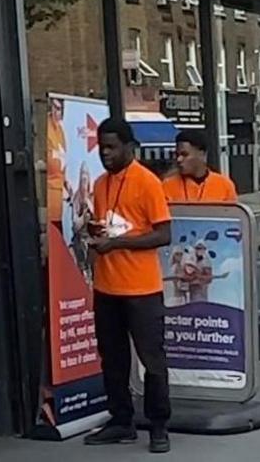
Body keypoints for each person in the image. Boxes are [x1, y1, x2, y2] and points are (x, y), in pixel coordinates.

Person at [83, 118, 174, 454]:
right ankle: (121, 420)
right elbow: (109, 227)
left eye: (111, 147)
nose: (105, 153)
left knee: (152, 359)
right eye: (101, 147)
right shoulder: (99, 184)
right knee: (113, 359)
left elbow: (164, 234)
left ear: (129, 146)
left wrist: (118, 245)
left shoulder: (148, 182)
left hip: (141, 289)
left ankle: (158, 426)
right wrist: (95, 236)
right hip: (107, 287)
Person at [161, 129, 238, 203]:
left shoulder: (224, 185)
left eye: (184, 154)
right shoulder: (167, 185)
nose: (179, 159)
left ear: (202, 154)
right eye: (177, 155)